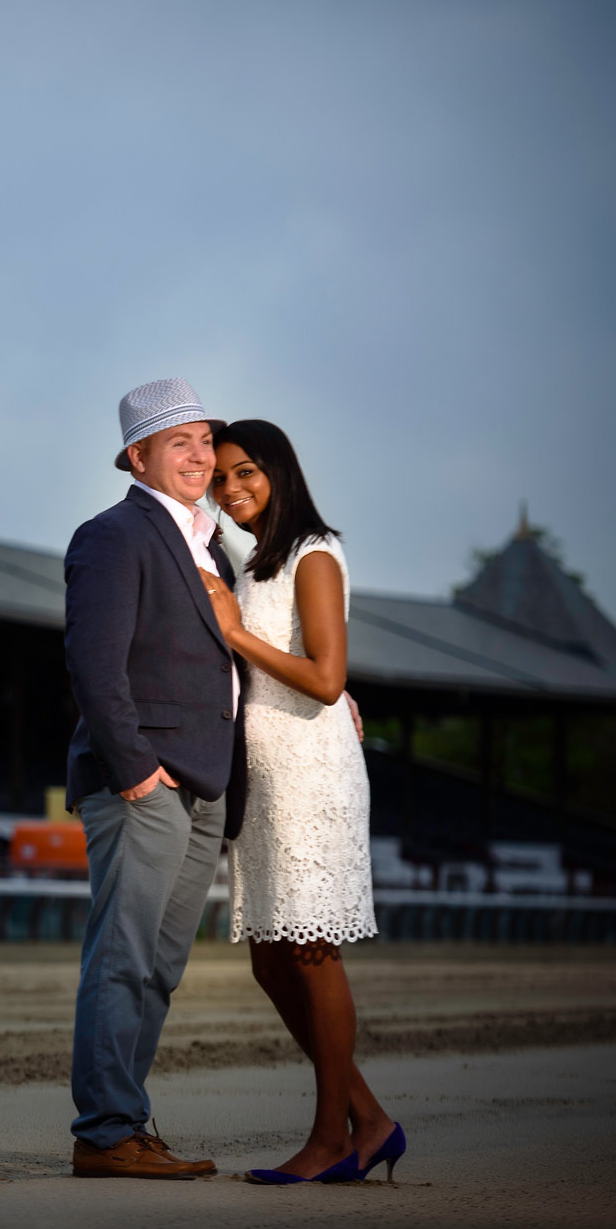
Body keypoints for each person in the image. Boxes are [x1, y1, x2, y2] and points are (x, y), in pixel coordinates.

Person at [203, 419, 404, 1185]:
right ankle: (373, 1120)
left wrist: (234, 632)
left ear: (280, 469)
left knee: (313, 952)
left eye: (246, 471)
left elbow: (324, 677)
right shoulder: (251, 561)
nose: (232, 488)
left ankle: (332, 1140)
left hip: (311, 773)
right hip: (264, 775)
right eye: (221, 477)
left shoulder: (314, 552)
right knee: (268, 958)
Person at [61, 377, 244, 1179]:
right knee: (125, 954)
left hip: (206, 782)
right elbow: (94, 663)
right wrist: (139, 773)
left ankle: (126, 1123)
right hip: (147, 782)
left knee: (161, 966)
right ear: (138, 455)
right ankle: (104, 1130)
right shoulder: (114, 534)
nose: (201, 456)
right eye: (181, 442)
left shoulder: (213, 546)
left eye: (206, 440)